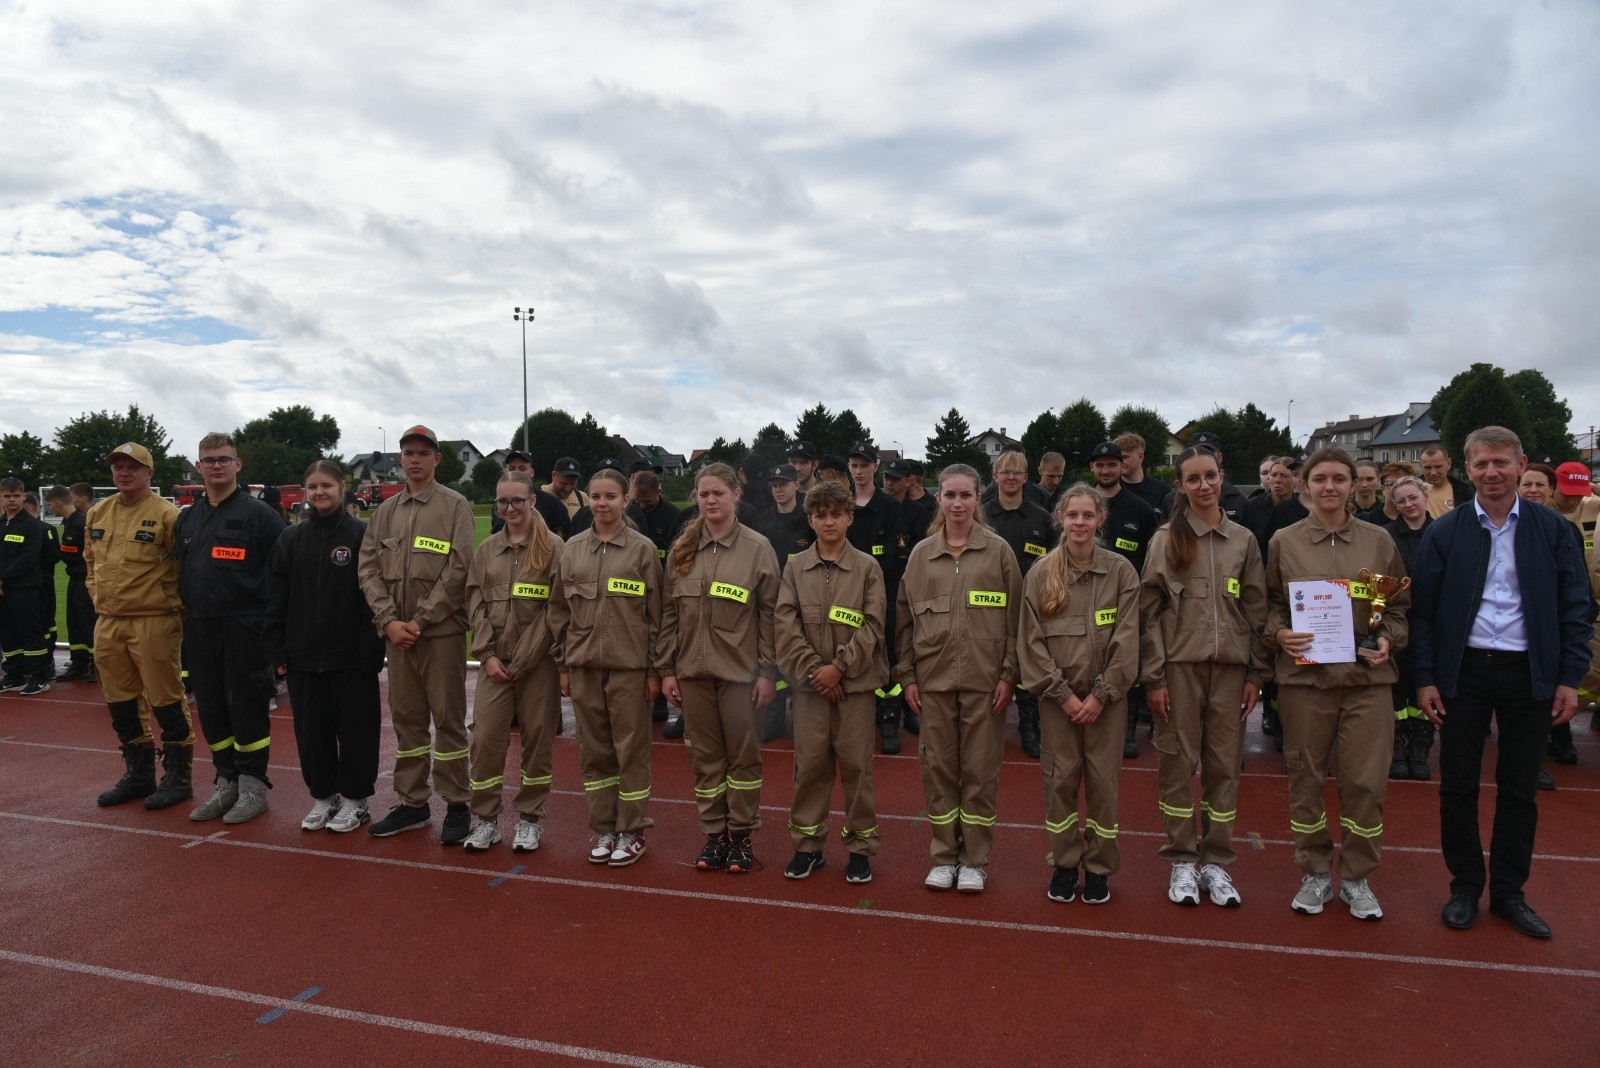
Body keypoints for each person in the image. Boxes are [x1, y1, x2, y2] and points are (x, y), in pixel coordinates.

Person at [1411, 427, 1592, 940]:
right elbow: (1423, 612)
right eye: (1481, 464)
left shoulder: (1553, 530)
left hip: (1529, 674)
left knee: (1520, 788)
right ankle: (1465, 886)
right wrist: (1425, 678)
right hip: (1463, 672)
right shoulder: (1445, 532)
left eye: (1501, 463)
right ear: (1467, 469)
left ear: (1521, 465)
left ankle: (1510, 893)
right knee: (1458, 785)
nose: (1491, 472)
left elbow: (1575, 606)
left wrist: (1569, 677)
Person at [1266, 447, 1408, 921]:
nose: (1330, 487)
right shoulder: (1284, 542)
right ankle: (1315, 872)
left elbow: (1398, 607)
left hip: (1368, 681)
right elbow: (1269, 605)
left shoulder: (1379, 541)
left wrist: (1388, 639)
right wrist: (1279, 633)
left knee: (1365, 784)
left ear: (1353, 485)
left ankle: (1357, 877)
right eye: (1320, 479)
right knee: (1305, 780)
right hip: (1305, 682)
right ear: (1305, 485)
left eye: (1339, 479)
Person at [1140, 448, 1270, 908]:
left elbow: (1256, 609)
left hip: (1231, 671)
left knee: (1224, 767)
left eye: (1210, 476)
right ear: (1180, 486)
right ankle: (1181, 858)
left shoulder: (1244, 541)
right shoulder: (1166, 540)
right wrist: (1154, 678)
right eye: (1193, 479)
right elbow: (1148, 614)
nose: (1204, 486)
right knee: (1177, 764)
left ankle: (1215, 860)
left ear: (1222, 477)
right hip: (1179, 670)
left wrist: (1256, 671)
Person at [897, 464, 1021, 894]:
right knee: (938, 772)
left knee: (980, 773)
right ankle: (944, 856)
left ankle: (974, 861)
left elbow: (1016, 621)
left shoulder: (999, 553)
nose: (957, 503)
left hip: (985, 685)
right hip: (933, 683)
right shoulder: (921, 555)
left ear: (978, 499)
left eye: (966, 495)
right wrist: (907, 676)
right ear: (938, 499)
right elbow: (905, 622)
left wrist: (1009, 674)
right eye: (950, 495)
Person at [1019, 482, 1139, 904]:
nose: (1080, 522)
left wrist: (1102, 694)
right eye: (1073, 515)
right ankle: (1066, 864)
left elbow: (1128, 639)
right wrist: (1063, 695)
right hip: (1059, 705)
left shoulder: (1121, 572)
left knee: (1104, 785)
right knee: (1060, 783)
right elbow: (1030, 643)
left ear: (1101, 519)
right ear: (1060, 519)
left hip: (1108, 704)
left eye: (1088, 515)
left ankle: (1100, 868)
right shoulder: (1041, 573)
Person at [657, 462, 780, 874]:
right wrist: (667, 669)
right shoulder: (682, 550)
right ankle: (715, 834)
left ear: (735, 495)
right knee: (705, 759)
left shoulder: (757, 549)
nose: (710, 500)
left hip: (741, 675)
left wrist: (767, 672)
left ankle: (741, 836)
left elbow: (771, 616)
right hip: (692, 672)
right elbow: (669, 615)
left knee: (743, 759)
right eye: (704, 494)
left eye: (718, 493)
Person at [358, 425, 477, 843]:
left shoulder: (454, 506)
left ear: (436, 459)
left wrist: (421, 620)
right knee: (407, 722)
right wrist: (389, 621)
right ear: (400, 459)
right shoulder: (385, 512)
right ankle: (413, 804)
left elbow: (459, 568)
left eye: (423, 453)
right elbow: (368, 569)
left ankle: (457, 803)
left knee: (448, 721)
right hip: (397, 636)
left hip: (440, 634)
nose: (414, 459)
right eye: (408, 453)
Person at [774, 480, 887, 883]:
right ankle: (807, 847)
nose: (829, 522)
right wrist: (816, 671)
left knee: (857, 769)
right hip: (810, 690)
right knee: (810, 768)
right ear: (810, 520)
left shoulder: (867, 568)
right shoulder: (795, 567)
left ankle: (860, 849)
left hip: (854, 688)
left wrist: (839, 667)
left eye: (837, 514)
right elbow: (785, 624)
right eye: (820, 515)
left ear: (850, 518)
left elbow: (873, 625)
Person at [264, 460, 384, 833]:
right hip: (302, 657)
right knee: (312, 735)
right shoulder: (291, 538)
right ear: (305, 491)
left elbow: (375, 597)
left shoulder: (362, 535)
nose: (320, 492)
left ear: (342, 487)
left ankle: (355, 800)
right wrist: (278, 651)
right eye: (313, 486)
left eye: (327, 485)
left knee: (356, 733)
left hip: (351, 658)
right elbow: (275, 598)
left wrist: (371, 650)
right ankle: (323, 796)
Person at [174, 433, 287, 823]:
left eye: (224, 459)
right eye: (209, 460)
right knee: (211, 708)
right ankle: (227, 782)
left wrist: (275, 634)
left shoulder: (261, 517)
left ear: (238, 465)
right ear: (199, 467)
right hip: (200, 627)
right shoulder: (187, 518)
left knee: (247, 707)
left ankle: (253, 786)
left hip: (245, 626)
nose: (216, 466)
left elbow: (282, 577)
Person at [552, 466, 662, 865]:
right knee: (594, 750)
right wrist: (564, 666)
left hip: (629, 667)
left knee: (630, 750)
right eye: (596, 496)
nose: (602, 504)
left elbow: (657, 615)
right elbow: (559, 611)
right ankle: (603, 827)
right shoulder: (572, 549)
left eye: (611, 496)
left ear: (625, 501)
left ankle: (631, 830)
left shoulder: (643, 550)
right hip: (583, 666)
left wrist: (654, 670)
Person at [84, 443, 197, 808]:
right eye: (118, 466)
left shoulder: (167, 515)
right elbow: (90, 563)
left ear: (149, 473)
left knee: (166, 699)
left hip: (154, 620)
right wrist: (97, 595)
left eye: (132, 466)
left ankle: (178, 776)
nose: (124, 472)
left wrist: (174, 608)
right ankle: (139, 772)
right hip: (109, 621)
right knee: (119, 700)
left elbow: (186, 567)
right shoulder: (98, 512)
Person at [462, 470, 565, 853]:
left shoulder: (554, 548)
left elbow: (556, 610)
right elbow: (474, 604)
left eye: (517, 500)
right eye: (502, 502)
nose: (509, 508)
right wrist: (487, 655)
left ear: (532, 500)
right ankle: (486, 820)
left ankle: (529, 820)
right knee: (486, 739)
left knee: (537, 741)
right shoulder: (487, 549)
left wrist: (523, 660)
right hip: (494, 666)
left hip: (537, 666)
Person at [982, 448, 1058, 759]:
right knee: (989, 665)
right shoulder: (981, 516)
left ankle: (1029, 725)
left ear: (1026, 477)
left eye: (1017, 472)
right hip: (988, 605)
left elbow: (1055, 562)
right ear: (995, 476)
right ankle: (987, 725)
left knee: (1029, 665)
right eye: (1005, 471)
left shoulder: (1042, 518)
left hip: (1031, 605)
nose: (1010, 477)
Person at [1087, 440, 1156, 759]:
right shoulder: (1080, 503)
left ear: (1122, 466)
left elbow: (1150, 558)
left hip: (1126, 600)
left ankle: (1127, 729)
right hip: (1085, 596)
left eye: (1111, 464)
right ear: (1092, 468)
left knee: (1125, 660)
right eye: (1100, 465)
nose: (1106, 470)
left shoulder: (1140, 510)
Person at [846, 442, 913, 755]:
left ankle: (889, 718)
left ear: (875, 467)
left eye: (864, 465)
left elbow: (897, 555)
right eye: (854, 465)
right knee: (851, 652)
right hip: (846, 595)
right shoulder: (843, 503)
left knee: (887, 655)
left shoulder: (889, 507)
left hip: (883, 592)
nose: (859, 471)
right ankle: (858, 714)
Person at [1384, 476, 1435, 781]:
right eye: (1401, 500)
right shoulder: (1385, 535)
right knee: (1396, 685)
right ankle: (1397, 748)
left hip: (1433, 624)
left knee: (1426, 683)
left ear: (1425, 497)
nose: (1408, 505)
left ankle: (1420, 748)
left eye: (1413, 497)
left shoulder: (1443, 532)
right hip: (1398, 620)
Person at [1549, 460, 1600, 756]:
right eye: (1568, 492)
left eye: (1579, 493)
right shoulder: (1542, 513)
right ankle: (1552, 724)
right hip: (1563, 605)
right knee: (1583, 671)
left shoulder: (1592, 505)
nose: (1573, 499)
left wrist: (1592, 487)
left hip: (1591, 604)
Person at [0, 478, 51, 695]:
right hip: (3, 589)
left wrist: (3, 578)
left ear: (23, 496)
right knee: (7, 632)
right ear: (1, 497)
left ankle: (39, 676)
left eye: (16, 495)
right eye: (7, 495)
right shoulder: (1, 524)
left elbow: (28, 558)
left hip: (24, 588)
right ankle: (14, 675)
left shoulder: (31, 525)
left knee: (30, 631)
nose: (12, 499)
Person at [48, 484, 97, 682]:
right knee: (74, 623)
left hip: (85, 580)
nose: (49, 508)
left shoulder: (81, 523)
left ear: (57, 503)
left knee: (88, 623)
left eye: (50, 504)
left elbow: (84, 554)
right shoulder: (69, 522)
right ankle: (79, 663)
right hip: (74, 580)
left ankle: (96, 665)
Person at [494, 451, 570, 538]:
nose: (516, 472)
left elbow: (565, 538)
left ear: (532, 472)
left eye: (522, 468)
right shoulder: (499, 504)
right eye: (512, 468)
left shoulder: (552, 503)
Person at [1115, 431, 1171, 523]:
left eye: (1124, 457)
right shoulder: (1109, 491)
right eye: (1117, 458)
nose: (1120, 462)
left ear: (1140, 457)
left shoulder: (1163, 492)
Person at [1420, 444, 1473, 519]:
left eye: (1438, 467)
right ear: (1420, 466)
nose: (1433, 472)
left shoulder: (1465, 492)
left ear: (1449, 463)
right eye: (1428, 468)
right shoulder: (1410, 492)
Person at [543, 456, 589, 521]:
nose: (568, 489)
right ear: (554, 475)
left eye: (572, 484)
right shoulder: (538, 495)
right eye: (564, 483)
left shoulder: (582, 497)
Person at [1353, 460, 1387, 524]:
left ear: (1378, 480)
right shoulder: (1343, 513)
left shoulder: (1387, 513)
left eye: (1370, 479)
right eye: (1359, 480)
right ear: (1353, 481)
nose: (1364, 485)